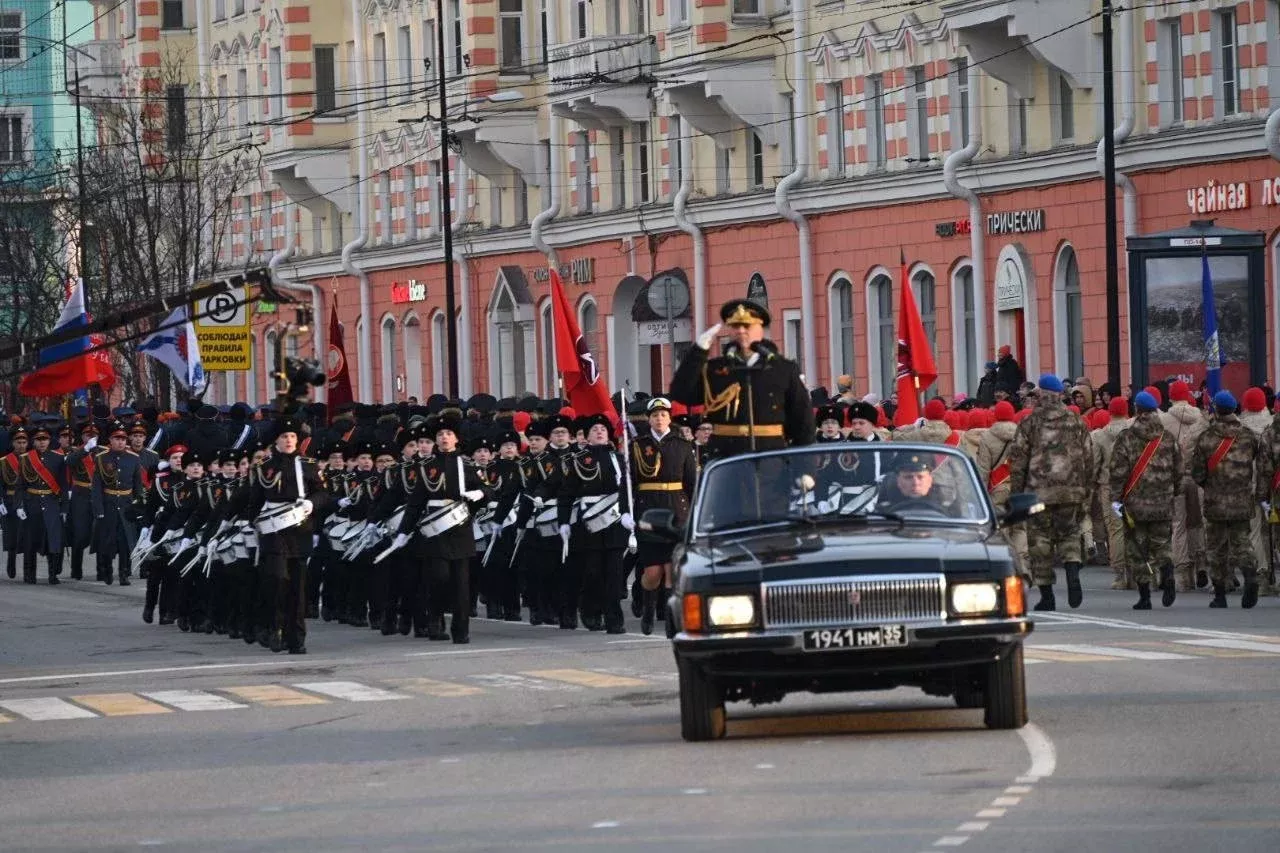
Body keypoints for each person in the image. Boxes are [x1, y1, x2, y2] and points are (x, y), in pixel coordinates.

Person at [669, 299, 814, 459]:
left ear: (760, 329)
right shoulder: (715, 369)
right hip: (726, 458)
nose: (741, 331)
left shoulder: (783, 368)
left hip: (772, 457)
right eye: (735, 326)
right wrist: (698, 353)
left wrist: (804, 468)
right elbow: (681, 393)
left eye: (747, 326)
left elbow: (802, 421)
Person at [1007, 375, 1092, 611]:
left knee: (1039, 541)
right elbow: (1088, 457)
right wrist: (1085, 489)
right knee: (1070, 534)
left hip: (1038, 494)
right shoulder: (1077, 421)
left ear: (1041, 395)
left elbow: (1018, 462)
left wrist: (1017, 495)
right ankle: (1073, 570)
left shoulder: (1029, 423)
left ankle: (1047, 596)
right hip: (1071, 490)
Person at [245, 414, 328, 653]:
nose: (289, 440)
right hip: (273, 534)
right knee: (278, 580)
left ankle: (297, 638)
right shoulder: (265, 469)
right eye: (284, 436)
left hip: (299, 531)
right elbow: (254, 504)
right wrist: (255, 529)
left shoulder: (309, 466)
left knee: (297, 588)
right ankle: (274, 628)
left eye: (293, 436)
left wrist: (311, 504)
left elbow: (323, 495)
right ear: (276, 441)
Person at [629, 397, 698, 635]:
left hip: (677, 512)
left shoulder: (682, 444)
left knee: (671, 570)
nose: (659, 419)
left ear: (670, 418)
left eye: (663, 415)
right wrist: (626, 513)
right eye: (655, 415)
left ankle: (670, 620)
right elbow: (628, 483)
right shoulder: (637, 445)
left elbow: (691, 482)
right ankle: (648, 609)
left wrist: (696, 512)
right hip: (648, 511)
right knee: (652, 573)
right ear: (649, 419)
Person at [1108, 391, 1182, 610]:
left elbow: (1118, 471)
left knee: (1137, 549)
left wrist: (1115, 498)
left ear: (1137, 410)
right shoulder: (1167, 438)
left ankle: (1145, 596)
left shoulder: (1126, 437)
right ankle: (1167, 574)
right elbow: (1178, 470)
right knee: (1162, 545)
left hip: (1135, 505)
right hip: (1162, 503)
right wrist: (1173, 492)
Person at [1190, 391, 1263, 608]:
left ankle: (1220, 594)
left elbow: (1197, 473)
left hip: (1215, 501)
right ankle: (1250, 576)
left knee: (1216, 548)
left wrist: (1211, 486)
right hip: (1241, 499)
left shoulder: (1206, 437)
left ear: (1216, 409)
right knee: (1242, 543)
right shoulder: (1248, 436)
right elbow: (1255, 460)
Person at [90, 421, 147, 586]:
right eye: (117, 438)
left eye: (123, 439)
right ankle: (107, 570)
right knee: (108, 541)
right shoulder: (101, 458)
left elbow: (138, 486)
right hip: (108, 504)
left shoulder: (133, 459)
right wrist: (98, 509)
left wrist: (139, 507)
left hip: (126, 504)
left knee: (125, 542)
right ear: (110, 440)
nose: (121, 442)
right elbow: (97, 487)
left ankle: (124, 573)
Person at [20, 424, 67, 585]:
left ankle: (53, 574)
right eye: (39, 439)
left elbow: (63, 484)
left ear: (49, 440)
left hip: (51, 502)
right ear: (33, 442)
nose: (42, 443)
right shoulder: (26, 459)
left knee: (53, 540)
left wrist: (64, 508)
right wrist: (19, 505)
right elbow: (21, 485)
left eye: (45, 439)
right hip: (31, 503)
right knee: (30, 541)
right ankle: (29, 574)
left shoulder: (58, 458)